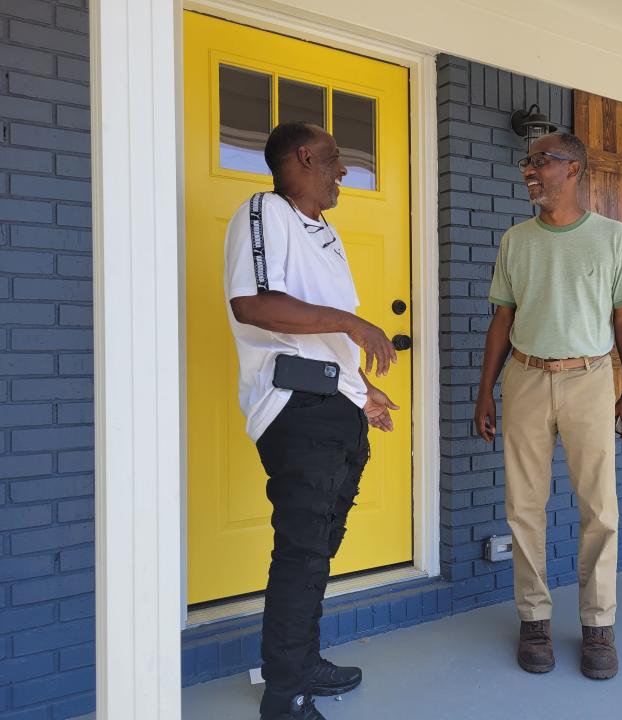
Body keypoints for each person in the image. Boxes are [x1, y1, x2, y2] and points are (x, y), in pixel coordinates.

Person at [224, 122, 399, 720]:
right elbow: (252, 304)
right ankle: (285, 693)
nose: (342, 171)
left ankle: (304, 661)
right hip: (295, 412)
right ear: (302, 158)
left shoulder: (325, 233)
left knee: (319, 547)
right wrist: (354, 324)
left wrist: (363, 391)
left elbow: (320, 341)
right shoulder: (265, 211)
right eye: (333, 158)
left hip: (335, 405)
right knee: (301, 550)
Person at [474, 131, 622, 680]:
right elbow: (502, 318)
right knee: (523, 505)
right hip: (525, 376)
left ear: (574, 170)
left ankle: (598, 625)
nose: (531, 171)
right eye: (528, 161)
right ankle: (534, 620)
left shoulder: (612, 237)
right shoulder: (515, 240)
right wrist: (485, 390)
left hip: (590, 379)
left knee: (599, 507)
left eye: (541, 161)